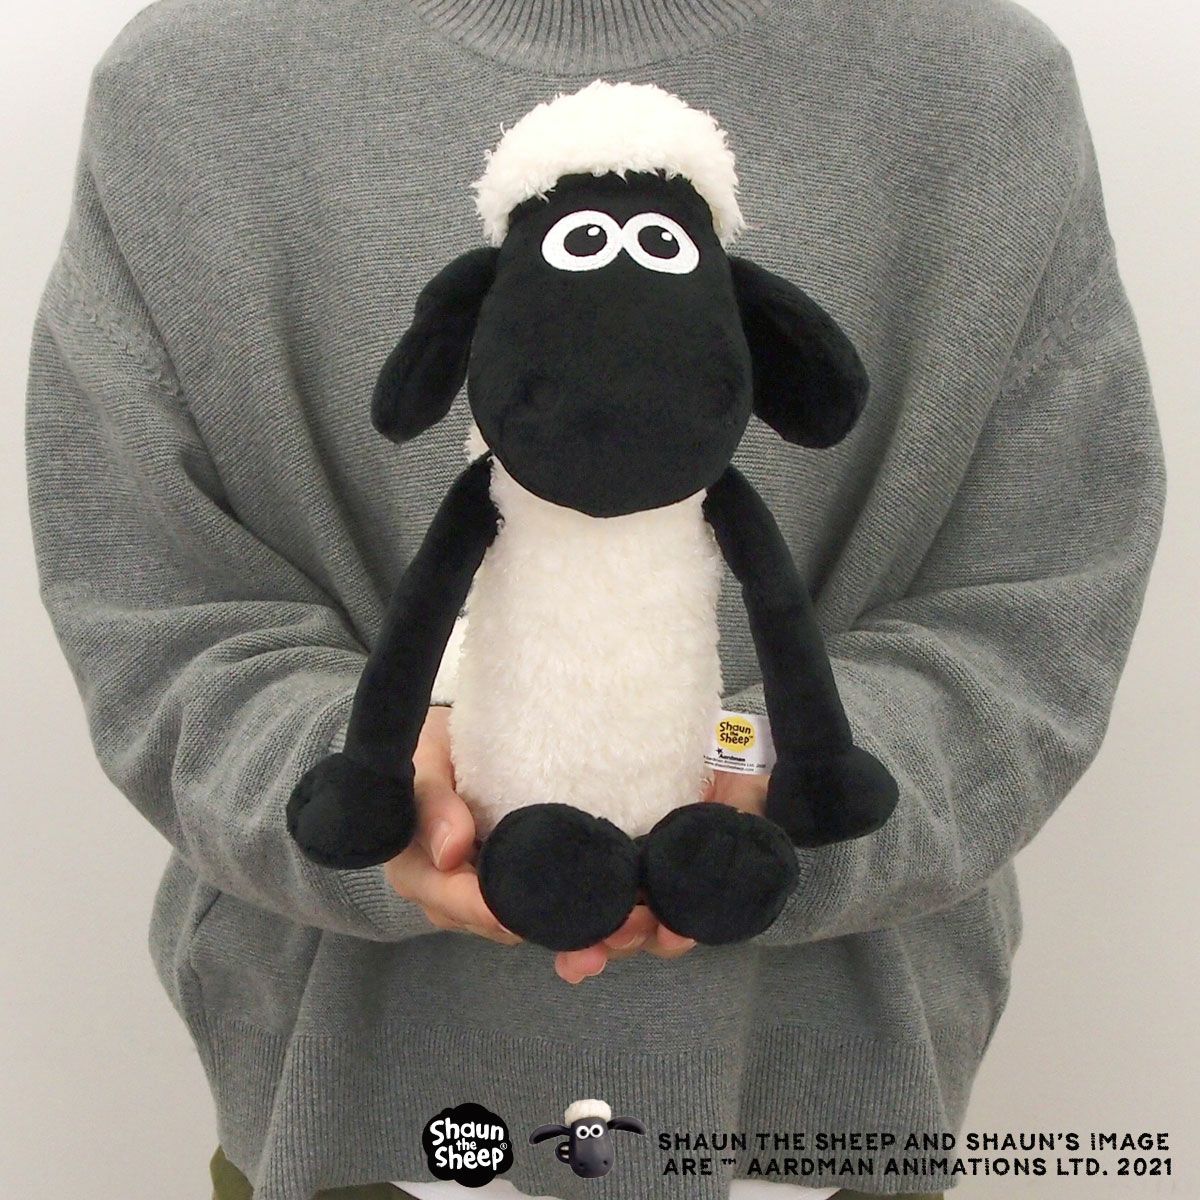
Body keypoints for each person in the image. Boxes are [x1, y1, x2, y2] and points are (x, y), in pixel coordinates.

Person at [25, 0, 1164, 1198]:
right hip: (344, 1118)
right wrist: (371, 776)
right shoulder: (190, 90)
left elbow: (1040, 604)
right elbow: (153, 603)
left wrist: (774, 787)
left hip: (825, 1121)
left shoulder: (979, 85)